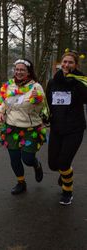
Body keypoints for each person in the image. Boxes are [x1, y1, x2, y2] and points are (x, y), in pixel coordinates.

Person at [0, 59, 46, 195]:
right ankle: (21, 182)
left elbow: (42, 108)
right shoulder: (8, 86)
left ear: (28, 72)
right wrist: (0, 112)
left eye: (22, 70)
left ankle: (36, 164)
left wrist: (37, 100)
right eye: (17, 69)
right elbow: (4, 103)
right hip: (11, 128)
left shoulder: (36, 87)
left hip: (30, 128)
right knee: (14, 158)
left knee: (27, 159)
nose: (18, 72)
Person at [46, 49, 87, 205]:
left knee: (63, 163)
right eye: (64, 62)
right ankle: (65, 172)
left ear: (75, 65)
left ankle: (67, 191)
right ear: (60, 64)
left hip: (74, 128)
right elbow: (48, 103)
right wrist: (45, 115)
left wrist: (78, 79)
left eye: (70, 62)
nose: (66, 64)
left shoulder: (80, 81)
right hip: (57, 128)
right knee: (53, 164)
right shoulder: (53, 81)